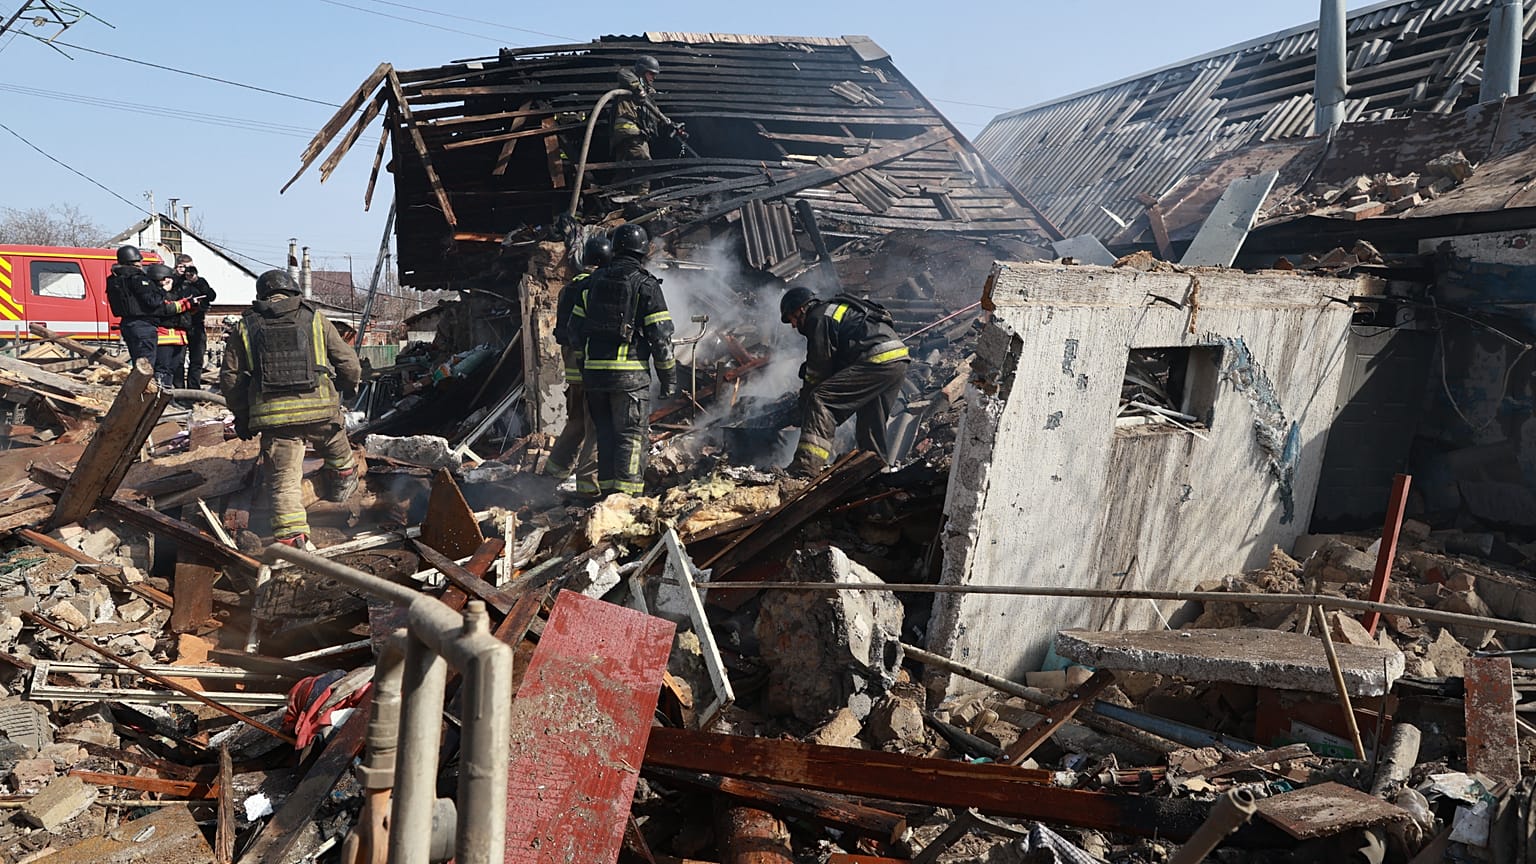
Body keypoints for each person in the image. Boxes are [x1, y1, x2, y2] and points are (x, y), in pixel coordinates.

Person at [220, 270, 363, 549]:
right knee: (337, 447)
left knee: (283, 480)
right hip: (321, 410)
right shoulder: (315, 318)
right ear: (295, 292)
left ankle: (292, 539)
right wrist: (347, 388)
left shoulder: (245, 326)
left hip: (275, 420)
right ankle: (343, 482)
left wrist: (242, 416)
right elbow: (349, 363)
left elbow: (230, 378)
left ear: (261, 295)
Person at [571, 224, 676, 496]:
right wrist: (669, 379)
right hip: (629, 380)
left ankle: (606, 496)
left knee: (605, 437)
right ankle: (626, 500)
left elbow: (574, 330)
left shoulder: (590, 283)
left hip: (595, 378)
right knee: (631, 438)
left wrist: (585, 365)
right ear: (642, 252)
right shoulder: (646, 285)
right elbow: (660, 337)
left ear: (615, 248)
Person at [779, 286, 911, 479]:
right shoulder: (834, 310)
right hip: (897, 360)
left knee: (821, 400)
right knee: (871, 421)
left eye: (791, 318)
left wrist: (805, 404)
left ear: (800, 309)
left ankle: (805, 468)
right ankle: (875, 475)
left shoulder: (818, 316)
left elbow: (819, 368)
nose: (792, 325)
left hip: (875, 359)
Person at [543, 234, 612, 497]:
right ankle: (588, 486)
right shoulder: (597, 287)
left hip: (572, 368)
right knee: (596, 426)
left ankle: (554, 471)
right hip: (590, 368)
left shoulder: (568, 289)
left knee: (576, 422)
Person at [107, 246, 194, 365]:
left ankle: (137, 383)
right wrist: (164, 289)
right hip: (143, 326)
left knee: (137, 364)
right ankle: (144, 384)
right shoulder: (137, 278)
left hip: (126, 324)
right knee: (146, 366)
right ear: (135, 261)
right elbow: (153, 301)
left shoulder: (114, 280)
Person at [611, 55, 680, 195]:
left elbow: (654, 112)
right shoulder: (631, 82)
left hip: (629, 134)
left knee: (624, 168)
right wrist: (638, 88)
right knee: (645, 162)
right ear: (642, 71)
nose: (653, 77)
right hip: (630, 130)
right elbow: (623, 73)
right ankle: (642, 197)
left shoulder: (647, 95)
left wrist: (669, 123)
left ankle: (612, 195)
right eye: (651, 73)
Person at [174, 256, 217, 388]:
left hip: (197, 324)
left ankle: (194, 389)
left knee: (197, 360)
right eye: (183, 267)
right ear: (177, 267)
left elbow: (211, 296)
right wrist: (179, 277)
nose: (187, 270)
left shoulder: (199, 281)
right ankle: (179, 390)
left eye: (190, 267)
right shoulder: (174, 282)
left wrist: (196, 281)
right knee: (178, 361)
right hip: (179, 325)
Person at [153, 263, 192, 390]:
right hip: (164, 338)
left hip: (179, 338)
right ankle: (160, 395)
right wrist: (186, 304)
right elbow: (168, 309)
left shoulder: (176, 292)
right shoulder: (156, 295)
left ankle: (167, 395)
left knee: (172, 369)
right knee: (162, 369)